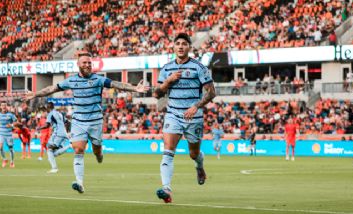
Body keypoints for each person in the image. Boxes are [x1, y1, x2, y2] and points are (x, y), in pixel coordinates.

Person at [25, 52, 149, 193]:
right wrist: (35, 94)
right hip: (79, 120)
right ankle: (79, 183)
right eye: (84, 62)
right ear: (78, 64)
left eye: (89, 62)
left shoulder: (98, 79)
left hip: (95, 121)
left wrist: (134, 88)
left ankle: (99, 154)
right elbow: (51, 89)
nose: (87, 65)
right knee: (78, 150)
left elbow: (116, 84)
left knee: (97, 150)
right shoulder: (71, 80)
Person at [153, 33, 216, 203]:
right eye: (178, 43)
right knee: (168, 150)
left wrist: (196, 106)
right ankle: (166, 189)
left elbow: (212, 92)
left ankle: (199, 166)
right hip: (173, 114)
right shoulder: (166, 68)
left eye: (184, 44)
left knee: (193, 153)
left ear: (189, 47)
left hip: (193, 116)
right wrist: (168, 82)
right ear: (173, 47)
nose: (180, 46)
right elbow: (157, 94)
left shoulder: (199, 67)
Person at [37, 102, 70, 173]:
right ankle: (68, 147)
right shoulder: (59, 113)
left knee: (49, 148)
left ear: (48, 108)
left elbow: (47, 125)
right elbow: (67, 122)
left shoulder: (50, 114)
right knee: (52, 153)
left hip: (57, 133)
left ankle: (54, 168)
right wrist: (66, 131)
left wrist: (39, 128)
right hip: (63, 134)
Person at [0, 102, 18, 168]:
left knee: (10, 149)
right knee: (0, 147)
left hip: (9, 134)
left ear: (6, 106)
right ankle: (4, 159)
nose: (4, 106)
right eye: (2, 105)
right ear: (1, 106)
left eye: (5, 105)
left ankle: (12, 162)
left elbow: (16, 122)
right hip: (1, 134)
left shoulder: (10, 115)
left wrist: (11, 125)